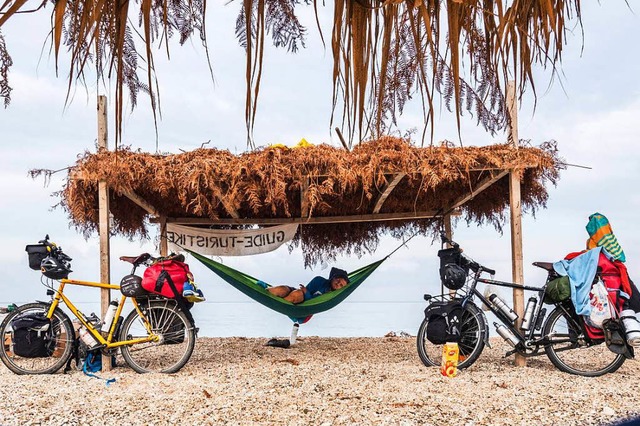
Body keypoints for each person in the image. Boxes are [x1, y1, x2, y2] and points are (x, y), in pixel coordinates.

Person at [264, 267, 350, 304]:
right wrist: (305, 291)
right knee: (281, 289)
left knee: (297, 293)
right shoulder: (319, 280)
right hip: (298, 294)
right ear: (333, 278)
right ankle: (262, 289)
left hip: (303, 302)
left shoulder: (332, 296)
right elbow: (305, 291)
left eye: (341, 285)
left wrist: (306, 293)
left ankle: (279, 304)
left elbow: (312, 303)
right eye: (338, 280)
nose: (338, 284)